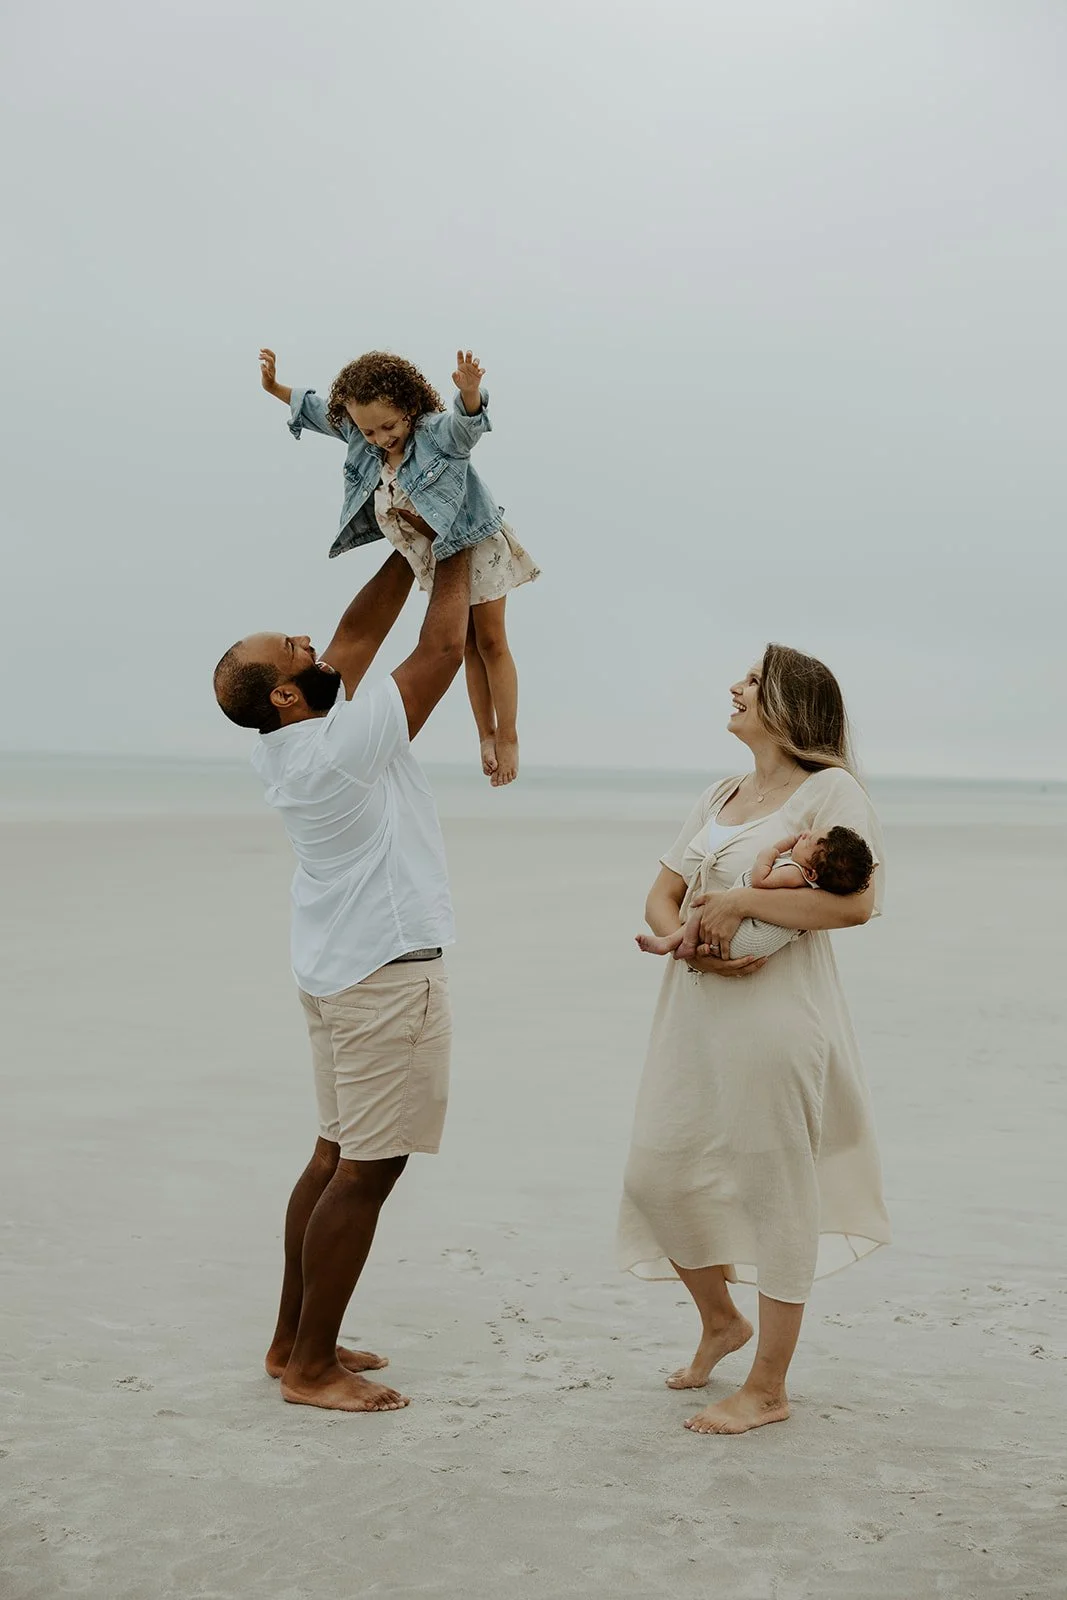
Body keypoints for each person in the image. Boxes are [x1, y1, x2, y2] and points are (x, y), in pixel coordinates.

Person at [213, 543, 471, 1413]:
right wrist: (462, 545)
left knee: (332, 1158)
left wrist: (410, 548)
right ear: (286, 694)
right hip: (385, 978)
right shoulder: (340, 748)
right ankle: (313, 1369)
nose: (305, 638)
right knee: (367, 1170)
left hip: (336, 973)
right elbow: (439, 653)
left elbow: (357, 631)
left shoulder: (288, 742)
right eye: (289, 650)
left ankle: (293, 1339)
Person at [618, 643, 891, 1437]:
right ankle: (720, 1322)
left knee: (774, 1190)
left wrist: (742, 907)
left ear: (790, 706)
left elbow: (854, 905)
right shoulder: (721, 791)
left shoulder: (830, 791)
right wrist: (689, 940)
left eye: (751, 681)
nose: (733, 688)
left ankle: (767, 1387)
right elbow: (662, 892)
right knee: (656, 1173)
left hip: (776, 1018)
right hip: (693, 1005)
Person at [259, 346, 539, 787]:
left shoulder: (432, 434)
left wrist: (469, 393)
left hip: (472, 542)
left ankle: (508, 736)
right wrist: (276, 388)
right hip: (431, 555)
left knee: (491, 642)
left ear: (410, 409)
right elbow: (316, 411)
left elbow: (465, 428)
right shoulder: (362, 436)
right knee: (465, 647)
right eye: (368, 432)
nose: (380, 439)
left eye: (388, 426)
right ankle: (484, 733)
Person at [635, 825, 874, 963]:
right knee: (706, 911)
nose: (804, 836)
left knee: (703, 908)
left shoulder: (793, 872)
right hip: (747, 939)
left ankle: (677, 942)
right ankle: (678, 942)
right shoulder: (805, 874)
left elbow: (761, 880)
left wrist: (770, 852)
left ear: (812, 873)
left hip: (748, 936)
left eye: (808, 841)